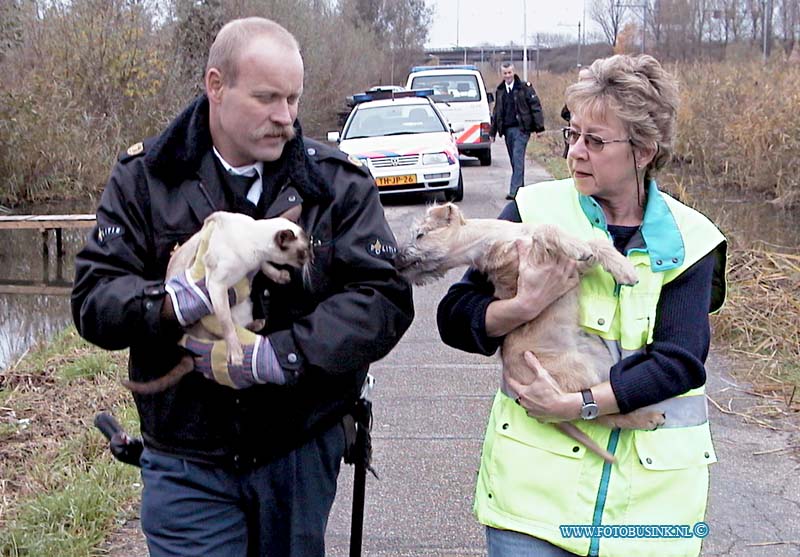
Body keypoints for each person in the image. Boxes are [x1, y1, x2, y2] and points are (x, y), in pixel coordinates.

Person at [71, 17, 414, 557]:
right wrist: (166, 306)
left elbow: (384, 300)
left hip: (298, 454)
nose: (285, 117)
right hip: (186, 458)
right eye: (266, 98)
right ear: (215, 86)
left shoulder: (336, 183)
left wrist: (284, 355)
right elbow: (92, 300)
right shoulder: (143, 179)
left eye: (293, 100)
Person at [438, 54, 726, 557]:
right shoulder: (534, 210)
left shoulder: (692, 239)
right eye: (573, 134)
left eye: (596, 141)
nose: (576, 153)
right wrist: (525, 304)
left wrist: (577, 405)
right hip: (532, 510)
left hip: (650, 517)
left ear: (644, 151)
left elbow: (678, 362)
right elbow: (456, 316)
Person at [490, 62, 545, 200]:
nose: (508, 75)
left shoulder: (524, 88)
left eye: (509, 72)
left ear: (513, 72)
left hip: (522, 129)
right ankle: (521, 188)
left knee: (518, 157)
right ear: (501, 74)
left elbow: (535, 106)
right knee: (514, 161)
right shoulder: (500, 90)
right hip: (508, 130)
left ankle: (514, 191)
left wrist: (539, 128)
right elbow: (497, 112)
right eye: (505, 73)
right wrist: (492, 132)